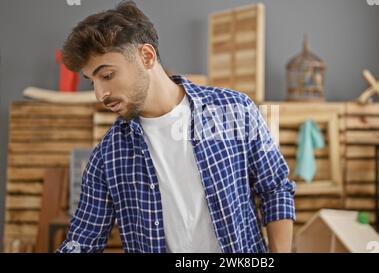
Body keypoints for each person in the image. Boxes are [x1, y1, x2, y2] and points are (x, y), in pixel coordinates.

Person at [57, 0, 295, 253]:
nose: (100, 94)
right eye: (92, 82)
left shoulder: (234, 109)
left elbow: (275, 187)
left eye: (106, 76)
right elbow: (83, 240)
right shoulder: (107, 156)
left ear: (146, 56)